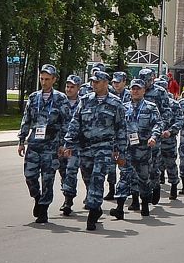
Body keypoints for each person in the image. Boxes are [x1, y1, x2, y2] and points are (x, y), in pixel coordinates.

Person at [62, 70, 127, 231]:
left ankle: (92, 213)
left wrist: (121, 151)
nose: (94, 84)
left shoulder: (115, 103)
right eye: (92, 81)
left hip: (104, 147)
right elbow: (75, 123)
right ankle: (95, 206)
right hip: (85, 147)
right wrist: (69, 143)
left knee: (98, 178)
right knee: (88, 178)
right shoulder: (85, 101)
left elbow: (121, 128)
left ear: (106, 83)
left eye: (97, 82)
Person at [17, 64, 72, 224]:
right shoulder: (34, 97)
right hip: (34, 143)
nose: (44, 82)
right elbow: (26, 119)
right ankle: (37, 196)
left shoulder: (61, 98)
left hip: (52, 143)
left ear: (54, 80)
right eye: (42, 79)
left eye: (47, 79)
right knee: (30, 175)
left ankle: (43, 209)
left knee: (47, 178)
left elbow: (66, 123)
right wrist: (22, 140)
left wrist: (63, 144)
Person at [110, 79, 162, 219]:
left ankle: (144, 205)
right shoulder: (123, 107)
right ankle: (119, 208)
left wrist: (154, 137)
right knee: (124, 177)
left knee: (143, 178)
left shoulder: (151, 107)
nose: (135, 91)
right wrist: (116, 148)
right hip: (126, 149)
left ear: (144, 91)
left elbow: (158, 124)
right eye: (133, 89)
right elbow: (118, 129)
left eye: (138, 89)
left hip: (143, 149)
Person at [139, 68, 170, 204]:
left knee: (153, 164)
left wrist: (159, 128)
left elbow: (166, 112)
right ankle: (138, 195)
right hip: (137, 134)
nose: (145, 83)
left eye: (147, 81)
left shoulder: (160, 92)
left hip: (153, 134)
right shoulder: (135, 90)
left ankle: (155, 185)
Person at [58, 74, 84, 215]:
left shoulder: (84, 103)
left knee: (71, 171)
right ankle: (67, 195)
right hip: (62, 143)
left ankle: (68, 200)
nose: (69, 89)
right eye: (67, 86)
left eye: (72, 87)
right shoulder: (60, 102)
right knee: (63, 171)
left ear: (78, 88)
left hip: (77, 145)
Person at [155, 75, 184, 201]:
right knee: (154, 165)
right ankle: (154, 189)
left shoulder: (173, 104)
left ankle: (173, 185)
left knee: (170, 163)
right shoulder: (151, 105)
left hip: (168, 140)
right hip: (154, 139)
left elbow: (179, 120)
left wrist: (170, 131)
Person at [103, 71, 131, 200]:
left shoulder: (130, 95)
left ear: (124, 82)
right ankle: (111, 188)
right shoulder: (108, 96)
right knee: (110, 165)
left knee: (124, 164)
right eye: (114, 82)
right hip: (110, 135)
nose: (116, 84)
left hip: (126, 134)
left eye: (118, 82)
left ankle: (126, 188)